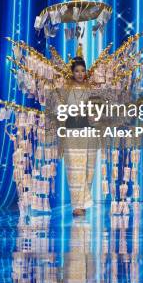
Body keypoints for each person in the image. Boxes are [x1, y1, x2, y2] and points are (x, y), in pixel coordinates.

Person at [64, 56, 97, 216]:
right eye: (76, 71)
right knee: (75, 168)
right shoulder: (66, 89)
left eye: (83, 71)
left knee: (88, 168)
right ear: (72, 72)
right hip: (72, 130)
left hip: (88, 131)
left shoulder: (91, 89)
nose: (80, 74)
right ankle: (76, 205)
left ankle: (83, 202)